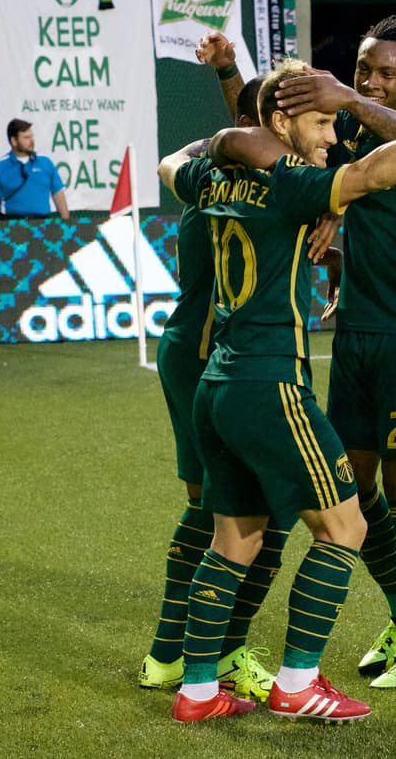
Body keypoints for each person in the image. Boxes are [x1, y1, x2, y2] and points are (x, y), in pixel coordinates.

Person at [156, 58, 396, 721]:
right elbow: (376, 171)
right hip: (272, 381)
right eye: (321, 122)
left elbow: (169, 163)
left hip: (216, 383)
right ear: (281, 124)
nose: (331, 135)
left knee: (233, 539)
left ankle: (198, 690)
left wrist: (228, 139)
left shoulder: (210, 180)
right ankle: (298, 682)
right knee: (344, 524)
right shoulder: (295, 186)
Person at [233, 16, 396, 690]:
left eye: (386, 72)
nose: (371, 80)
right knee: (352, 490)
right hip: (359, 330)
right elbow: (268, 142)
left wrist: (349, 99)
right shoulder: (350, 130)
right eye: (365, 68)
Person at [137, 43, 293, 706]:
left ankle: (168, 653)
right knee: (261, 515)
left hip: (190, 349)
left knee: (207, 510)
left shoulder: (210, 176)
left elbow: (183, 156)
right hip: (218, 358)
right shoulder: (263, 186)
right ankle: (221, 652)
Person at [0, 119, 69, 221]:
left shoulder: (45, 162)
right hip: (11, 224)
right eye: (26, 138)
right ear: (14, 141)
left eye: (31, 136)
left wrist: (67, 223)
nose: (31, 141)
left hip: (42, 223)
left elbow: (58, 193)